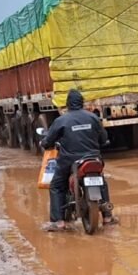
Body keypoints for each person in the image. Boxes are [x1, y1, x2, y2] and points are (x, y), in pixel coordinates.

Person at [40, 89, 117, 231]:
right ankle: (107, 217)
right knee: (102, 181)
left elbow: (48, 140)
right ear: (82, 102)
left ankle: (58, 222)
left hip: (70, 161)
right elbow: (103, 138)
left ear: (67, 104)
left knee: (57, 186)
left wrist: (44, 143)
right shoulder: (93, 118)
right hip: (93, 159)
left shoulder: (61, 120)